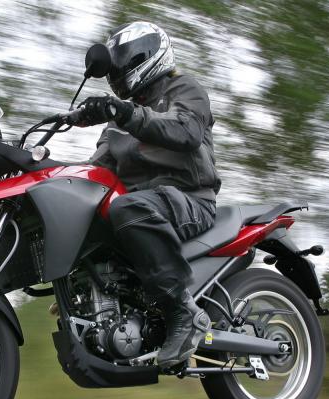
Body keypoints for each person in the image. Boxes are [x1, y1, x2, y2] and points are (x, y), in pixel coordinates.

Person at [74, 21, 221, 370]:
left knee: (127, 207)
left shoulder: (184, 88)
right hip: (145, 206)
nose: (119, 71)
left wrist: (126, 114)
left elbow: (185, 130)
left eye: (126, 61)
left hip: (190, 200)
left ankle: (184, 313)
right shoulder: (117, 123)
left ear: (148, 56)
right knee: (85, 213)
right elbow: (97, 171)